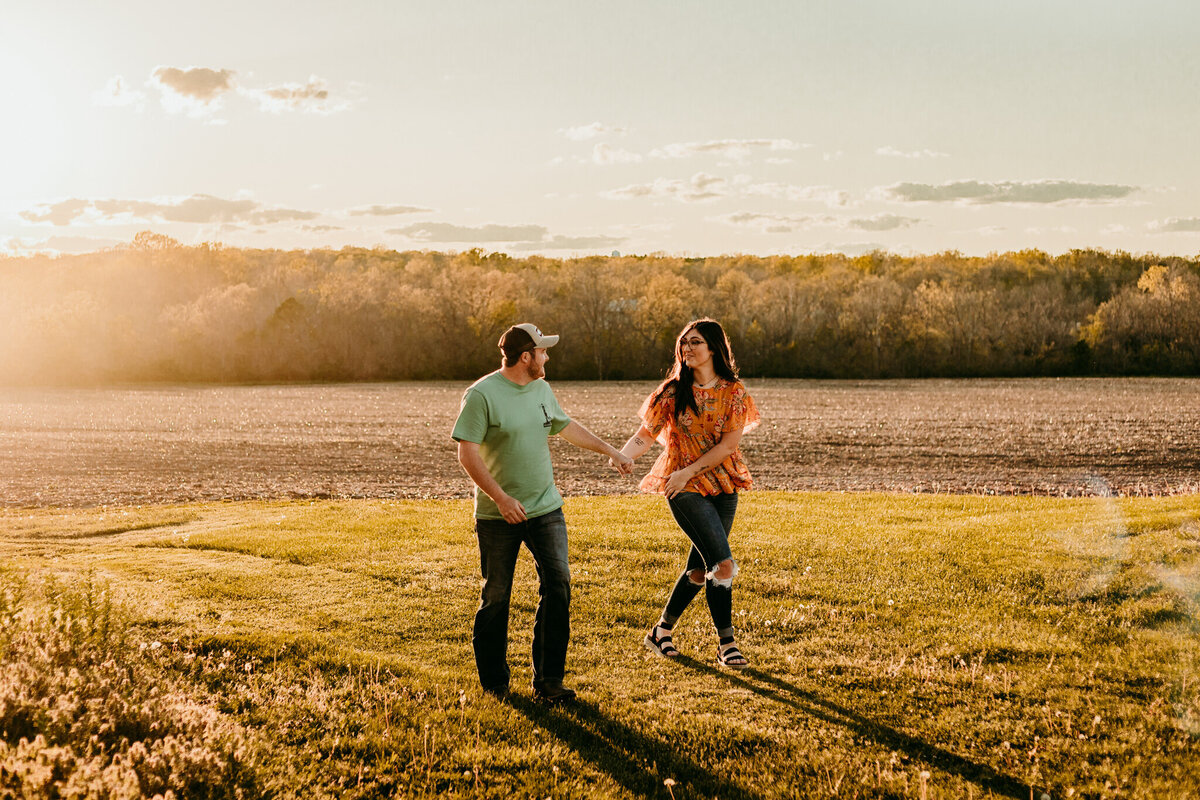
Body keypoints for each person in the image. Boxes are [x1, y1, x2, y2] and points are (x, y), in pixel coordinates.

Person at [453, 323, 633, 703]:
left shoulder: (541, 389)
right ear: (525, 357)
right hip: (497, 514)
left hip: (545, 508)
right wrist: (501, 498)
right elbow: (466, 453)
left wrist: (612, 451)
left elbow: (565, 427)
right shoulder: (481, 394)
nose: (547, 357)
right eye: (543, 352)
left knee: (559, 585)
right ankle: (495, 685)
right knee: (496, 595)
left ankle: (549, 682)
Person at [614, 318, 760, 669]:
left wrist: (689, 470)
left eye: (695, 342)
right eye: (684, 343)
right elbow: (646, 435)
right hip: (682, 487)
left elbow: (728, 447)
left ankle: (660, 632)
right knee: (722, 564)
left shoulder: (734, 392)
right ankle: (727, 644)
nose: (687, 349)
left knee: (699, 569)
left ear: (713, 348)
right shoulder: (672, 391)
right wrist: (622, 455)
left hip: (723, 485)